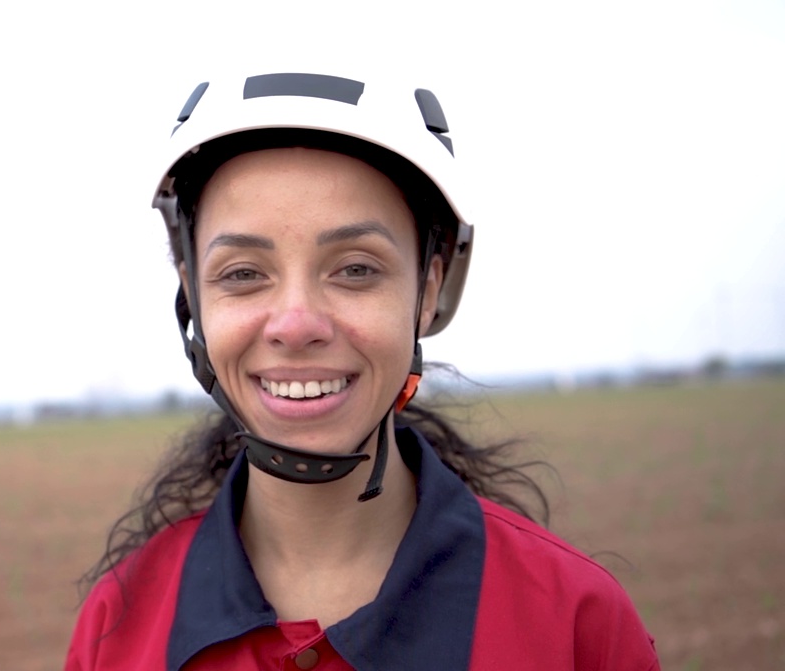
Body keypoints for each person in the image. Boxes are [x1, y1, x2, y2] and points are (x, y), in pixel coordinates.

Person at [64, 70, 660, 671]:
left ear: (428, 290)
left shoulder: (576, 625)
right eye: (243, 273)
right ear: (192, 294)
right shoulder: (116, 629)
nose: (295, 325)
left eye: (355, 269)